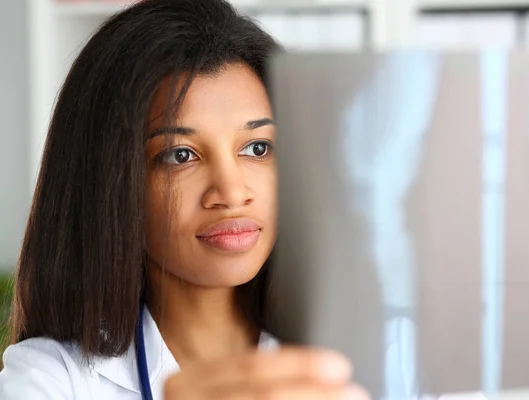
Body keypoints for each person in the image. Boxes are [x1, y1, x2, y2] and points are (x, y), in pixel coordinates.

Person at [0, 0, 369, 399]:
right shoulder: (52, 378)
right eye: (180, 155)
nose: (230, 193)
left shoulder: (377, 358)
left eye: (258, 148)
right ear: (109, 184)